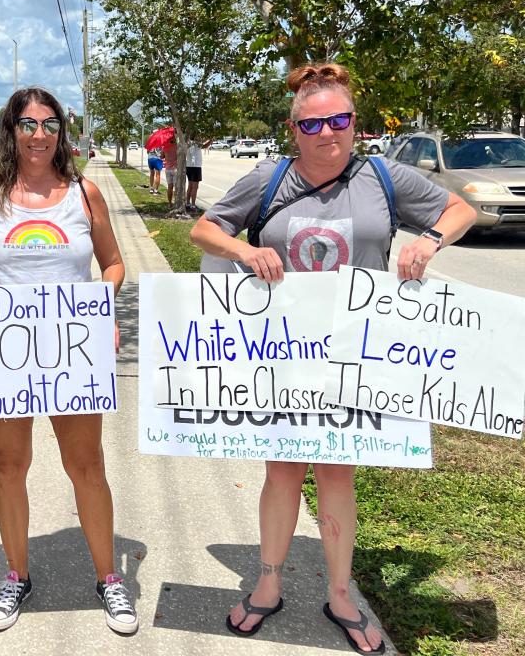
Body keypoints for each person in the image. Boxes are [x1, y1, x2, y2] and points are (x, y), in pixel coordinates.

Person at [190, 63, 475, 654]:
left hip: (358, 359)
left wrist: (429, 239)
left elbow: (460, 210)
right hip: (281, 356)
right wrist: (244, 250)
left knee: (338, 472)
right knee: (282, 469)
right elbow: (203, 230)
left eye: (340, 119)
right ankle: (267, 585)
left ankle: (340, 594)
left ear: (356, 124)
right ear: (294, 129)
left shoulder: (385, 177)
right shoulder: (268, 179)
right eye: (313, 122)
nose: (328, 132)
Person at [0, 87, 136, 635]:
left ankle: (110, 579)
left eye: (49, 124)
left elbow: (113, 264)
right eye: (28, 124)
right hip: (3, 354)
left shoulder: (84, 194)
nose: (39, 135)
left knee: (86, 466)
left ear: (61, 133)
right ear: (11, 131)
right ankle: (16, 574)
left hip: (69, 353)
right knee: (8, 467)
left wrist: (99, 307)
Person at [184, 141, 203, 211]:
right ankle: (193, 205)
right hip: (196, 166)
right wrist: (211, 140)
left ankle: (188, 203)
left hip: (189, 166)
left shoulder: (188, 142)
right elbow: (205, 145)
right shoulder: (196, 143)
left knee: (190, 186)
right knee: (195, 187)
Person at [162, 137, 178, 206]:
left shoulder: (165, 147)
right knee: (176, 187)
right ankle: (176, 203)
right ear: (174, 140)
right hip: (175, 169)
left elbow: (161, 156)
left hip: (168, 169)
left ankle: (170, 203)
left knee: (169, 187)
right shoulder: (177, 147)